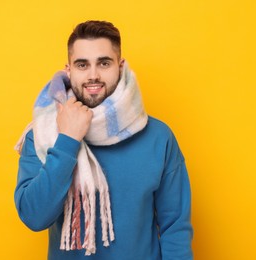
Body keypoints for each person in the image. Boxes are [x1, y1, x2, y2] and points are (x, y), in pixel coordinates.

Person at [14, 20, 193, 259]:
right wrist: (68, 139)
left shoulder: (158, 137)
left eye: (104, 63)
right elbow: (34, 217)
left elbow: (175, 227)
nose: (93, 75)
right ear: (68, 71)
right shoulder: (43, 134)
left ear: (120, 67)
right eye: (82, 65)